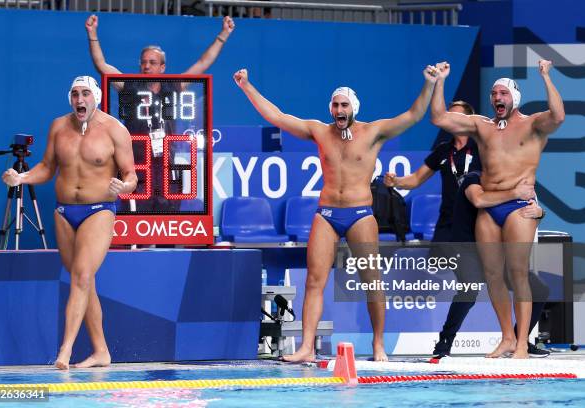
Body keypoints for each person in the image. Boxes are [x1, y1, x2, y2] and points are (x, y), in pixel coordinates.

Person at [234, 66, 440, 362]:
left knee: (372, 281)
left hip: (360, 214)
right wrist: (247, 87)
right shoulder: (320, 132)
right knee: (314, 281)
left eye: (344, 105)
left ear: (353, 108)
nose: (338, 109)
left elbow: (414, 115)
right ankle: (306, 347)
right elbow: (277, 116)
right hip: (327, 214)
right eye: (335, 104)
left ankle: (379, 345)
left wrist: (429, 84)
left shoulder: (373, 132)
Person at [430, 59, 564, 358]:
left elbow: (558, 115)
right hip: (491, 207)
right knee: (492, 274)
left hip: (519, 207)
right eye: (493, 94)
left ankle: (520, 343)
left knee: (518, 273)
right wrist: (439, 81)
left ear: (514, 98)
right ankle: (505, 337)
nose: (496, 99)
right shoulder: (482, 125)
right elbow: (439, 118)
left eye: (502, 94)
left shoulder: (533, 125)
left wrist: (545, 76)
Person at [1, 76, 137, 369]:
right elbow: (48, 167)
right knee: (84, 281)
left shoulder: (115, 130)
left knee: (81, 277)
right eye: (75, 94)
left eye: (85, 93)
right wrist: (21, 178)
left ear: (96, 97)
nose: (80, 99)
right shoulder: (58, 127)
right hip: (64, 212)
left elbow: (131, 175)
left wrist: (123, 188)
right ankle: (101, 351)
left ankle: (65, 351)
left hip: (99, 209)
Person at [85, 14, 235, 212]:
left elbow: (203, 63)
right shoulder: (130, 86)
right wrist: (92, 34)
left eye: (152, 62)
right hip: (136, 165)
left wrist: (223, 35)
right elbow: (102, 66)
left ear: (162, 67)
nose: (147, 66)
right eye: (144, 62)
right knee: (137, 218)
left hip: (166, 165)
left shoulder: (173, 86)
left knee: (168, 215)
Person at [431, 170, 549, 358]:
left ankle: (520, 341)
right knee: (469, 289)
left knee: (539, 289)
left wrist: (540, 213)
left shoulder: (517, 181)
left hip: (495, 250)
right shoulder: (473, 179)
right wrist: (516, 193)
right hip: (467, 247)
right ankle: (444, 344)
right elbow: (479, 200)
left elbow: (531, 209)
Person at [384, 100, 481, 242]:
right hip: (446, 222)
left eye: (457, 116)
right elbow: (416, 178)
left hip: (474, 220)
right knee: (437, 263)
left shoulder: (481, 147)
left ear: (470, 120)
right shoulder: (443, 150)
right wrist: (395, 181)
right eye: (449, 115)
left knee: (470, 264)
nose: (451, 119)